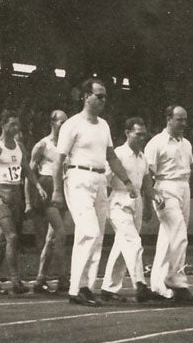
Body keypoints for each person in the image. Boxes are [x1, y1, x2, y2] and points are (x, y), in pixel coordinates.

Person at [52, 78, 138, 307]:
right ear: (85, 96)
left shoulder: (104, 125)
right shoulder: (72, 125)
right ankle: (76, 289)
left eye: (105, 97)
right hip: (78, 178)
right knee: (88, 232)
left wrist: (127, 181)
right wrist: (57, 191)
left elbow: (111, 157)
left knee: (97, 236)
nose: (103, 100)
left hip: (100, 180)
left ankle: (87, 288)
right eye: (99, 96)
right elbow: (58, 161)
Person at [143, 105, 193, 304]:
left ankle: (158, 286)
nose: (184, 123)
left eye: (185, 119)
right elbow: (147, 175)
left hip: (184, 188)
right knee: (179, 234)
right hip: (165, 188)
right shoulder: (156, 143)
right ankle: (176, 282)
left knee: (168, 239)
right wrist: (151, 197)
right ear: (168, 119)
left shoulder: (186, 144)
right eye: (179, 120)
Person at [99, 117, 154, 303]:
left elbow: (146, 182)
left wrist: (148, 205)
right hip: (118, 201)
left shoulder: (143, 157)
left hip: (136, 202)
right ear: (127, 133)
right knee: (133, 242)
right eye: (138, 134)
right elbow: (105, 181)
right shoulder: (118, 154)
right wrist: (102, 206)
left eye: (144, 135)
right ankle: (141, 285)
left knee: (122, 247)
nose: (141, 138)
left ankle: (108, 288)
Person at [0, 109, 31, 295]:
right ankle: (15, 280)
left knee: (3, 241)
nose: (16, 128)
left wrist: (38, 187)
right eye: (12, 124)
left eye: (17, 124)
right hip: (0, 197)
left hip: (16, 196)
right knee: (12, 237)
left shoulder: (19, 146)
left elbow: (26, 169)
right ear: (3, 125)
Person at [28, 110, 70, 294]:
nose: (65, 125)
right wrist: (30, 198)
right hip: (48, 188)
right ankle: (63, 277)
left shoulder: (68, 145)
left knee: (51, 238)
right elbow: (29, 173)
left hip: (64, 188)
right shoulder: (42, 145)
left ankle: (40, 279)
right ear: (53, 123)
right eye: (61, 122)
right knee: (60, 233)